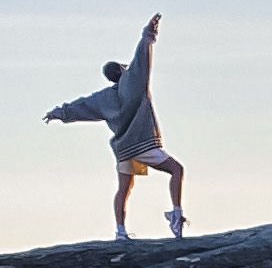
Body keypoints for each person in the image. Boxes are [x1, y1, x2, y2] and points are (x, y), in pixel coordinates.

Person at [46, 13, 186, 239]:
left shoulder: (104, 98)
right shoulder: (134, 82)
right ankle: (176, 214)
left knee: (125, 188)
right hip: (143, 144)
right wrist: (149, 33)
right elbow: (142, 57)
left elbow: (82, 105)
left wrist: (60, 113)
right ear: (122, 72)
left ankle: (120, 231)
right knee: (177, 170)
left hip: (124, 150)